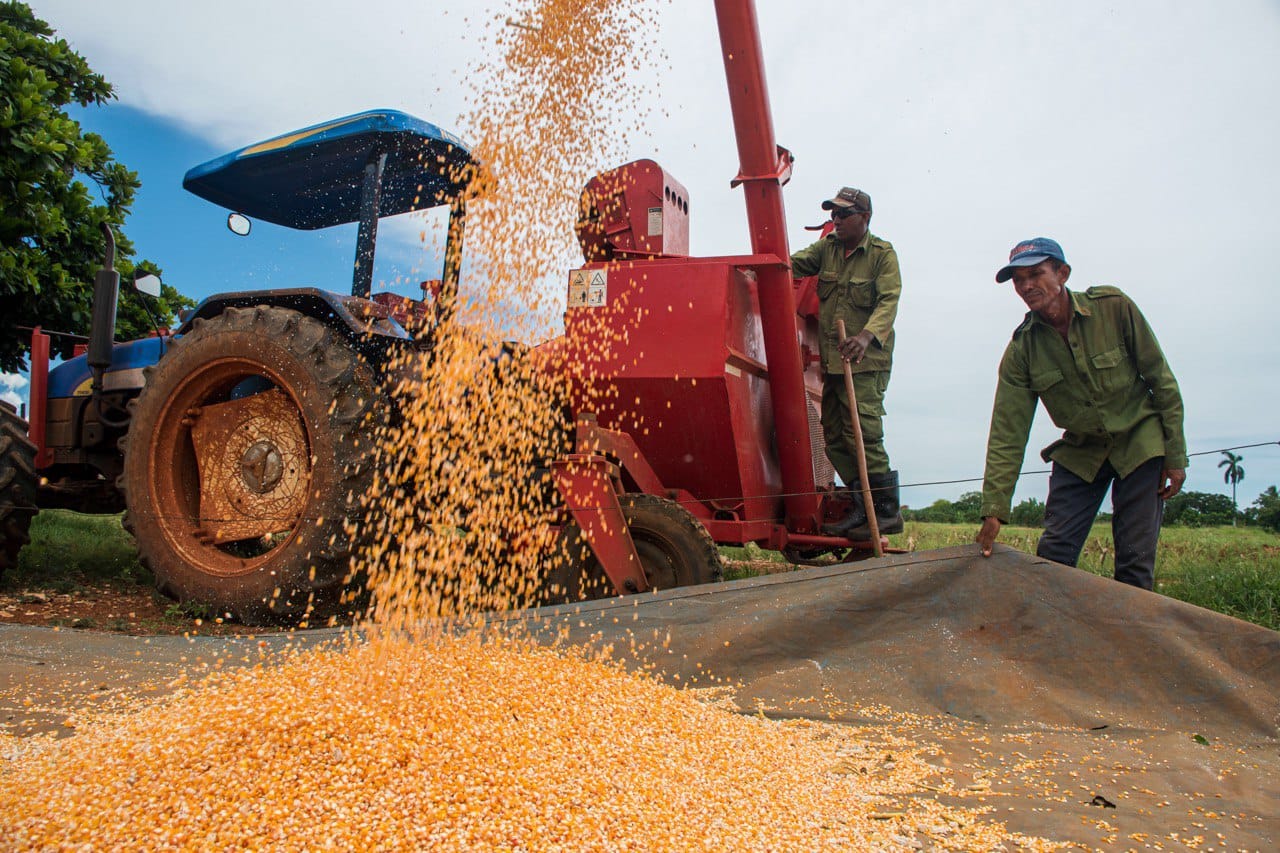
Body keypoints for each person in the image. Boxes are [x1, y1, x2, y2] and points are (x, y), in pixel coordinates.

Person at [975, 237, 1187, 589]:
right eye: (1018, 279)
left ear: (1062, 273)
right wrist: (995, 510)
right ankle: (1053, 637)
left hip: (1140, 442)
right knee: (1054, 553)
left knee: (1135, 561)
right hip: (1081, 450)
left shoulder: (1114, 308)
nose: (1026, 286)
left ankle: (1129, 640)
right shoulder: (1022, 350)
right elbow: (1007, 432)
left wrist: (1175, 455)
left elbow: (1161, 380)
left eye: (1035, 274)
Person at [790, 187, 903, 538]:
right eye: (833, 214)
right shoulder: (827, 249)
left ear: (865, 218)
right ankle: (860, 503)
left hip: (866, 363)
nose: (836, 220)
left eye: (843, 214)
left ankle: (885, 511)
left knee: (864, 433)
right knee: (834, 436)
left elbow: (889, 301)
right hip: (833, 363)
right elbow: (790, 264)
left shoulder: (883, 255)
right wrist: (750, 267)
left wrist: (865, 337)